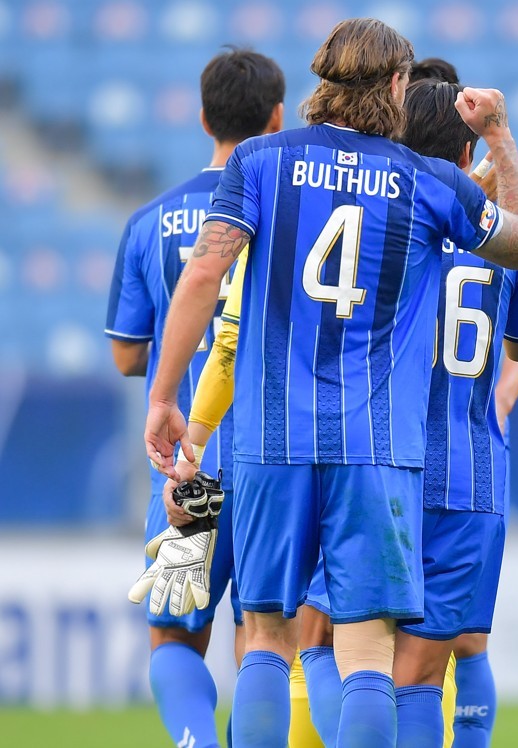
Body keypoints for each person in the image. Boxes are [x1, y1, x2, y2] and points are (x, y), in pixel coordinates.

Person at [142, 17, 518, 748]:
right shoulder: (429, 180)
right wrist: (501, 140)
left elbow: (205, 273)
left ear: (322, 77)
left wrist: (167, 397)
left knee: (267, 635)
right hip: (378, 449)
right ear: (397, 84)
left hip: (271, 442)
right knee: (364, 650)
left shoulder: (260, 161)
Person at [105, 48, 285, 748]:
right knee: (270, 633)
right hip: (279, 455)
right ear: (276, 117)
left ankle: (196, 741)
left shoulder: (152, 220)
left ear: (203, 116)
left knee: (176, 634)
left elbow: (127, 352)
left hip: (193, 465)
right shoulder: (289, 211)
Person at [388, 78, 518, 748]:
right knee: (430, 670)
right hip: (469, 473)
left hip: (381, 464)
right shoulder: (496, 242)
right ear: (463, 146)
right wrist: (502, 155)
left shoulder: (381, 225)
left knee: (344, 652)